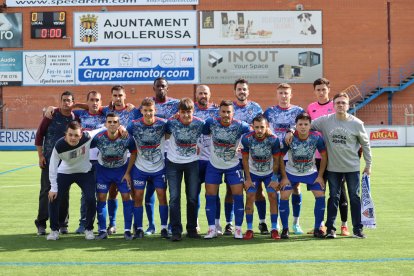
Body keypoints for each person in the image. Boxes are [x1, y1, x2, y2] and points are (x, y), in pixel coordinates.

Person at [287, 92, 372, 238]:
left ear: (348, 105)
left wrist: (368, 165)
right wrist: (291, 131)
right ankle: (331, 229)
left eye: (343, 103)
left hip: (352, 167)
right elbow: (305, 125)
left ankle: (357, 229)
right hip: (333, 167)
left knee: (354, 197)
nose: (340, 105)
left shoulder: (356, 123)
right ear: (333, 105)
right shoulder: (325, 121)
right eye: (338, 102)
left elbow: (366, 144)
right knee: (333, 197)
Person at [306, 78, 350, 236]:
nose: (321, 92)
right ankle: (320, 225)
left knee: (339, 192)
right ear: (314, 91)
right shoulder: (311, 108)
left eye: (323, 89)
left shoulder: (337, 105)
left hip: (335, 157)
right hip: (317, 156)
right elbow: (306, 127)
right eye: (318, 90)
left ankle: (344, 225)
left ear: (328, 90)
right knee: (319, 191)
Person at [202, 100, 251, 239]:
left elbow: (253, 133)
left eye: (228, 112)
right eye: (223, 111)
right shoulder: (210, 123)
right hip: (214, 165)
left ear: (233, 113)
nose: (226, 114)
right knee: (210, 196)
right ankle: (212, 228)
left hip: (233, 166)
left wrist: (241, 145)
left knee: (238, 196)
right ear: (219, 112)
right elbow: (203, 134)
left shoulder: (241, 125)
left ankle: (238, 229)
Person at [46, 121, 102, 240]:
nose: (73, 138)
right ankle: (54, 230)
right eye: (70, 135)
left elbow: (101, 129)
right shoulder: (59, 145)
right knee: (53, 197)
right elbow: (52, 166)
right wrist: (53, 187)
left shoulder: (87, 137)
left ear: (81, 135)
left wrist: (121, 127)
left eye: (76, 135)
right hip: (65, 172)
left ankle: (89, 229)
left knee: (91, 199)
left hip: (85, 172)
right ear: (66, 134)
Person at [264, 83, 305, 235]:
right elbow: (262, 127)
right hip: (274, 156)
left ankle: (296, 223)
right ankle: (276, 223)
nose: (283, 96)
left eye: (286, 93)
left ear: (291, 94)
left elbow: (305, 127)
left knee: (295, 187)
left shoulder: (298, 111)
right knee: (274, 189)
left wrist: (292, 130)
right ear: (277, 94)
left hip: (293, 157)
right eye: (281, 93)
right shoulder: (269, 112)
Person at [279, 113, 327, 239]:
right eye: (300, 124)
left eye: (306, 124)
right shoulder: (290, 138)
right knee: (284, 195)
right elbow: (278, 156)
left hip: (310, 173)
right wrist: (284, 177)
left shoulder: (316, 137)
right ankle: (285, 229)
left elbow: (324, 156)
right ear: (296, 125)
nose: (303, 127)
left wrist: (320, 176)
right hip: (291, 173)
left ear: (310, 125)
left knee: (320, 194)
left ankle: (318, 228)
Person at [101, 85, 141, 235]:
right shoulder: (106, 111)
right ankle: (112, 224)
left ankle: (135, 225)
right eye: (115, 95)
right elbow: (89, 107)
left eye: (120, 95)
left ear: (125, 96)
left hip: (132, 157)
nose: (118, 98)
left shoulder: (134, 111)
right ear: (111, 97)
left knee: (133, 192)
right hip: (114, 159)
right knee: (112, 191)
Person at [34, 91, 75, 236]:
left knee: (64, 193)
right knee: (46, 191)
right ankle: (41, 223)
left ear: (72, 102)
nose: (66, 103)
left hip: (66, 162)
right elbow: (39, 135)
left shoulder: (74, 118)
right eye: (64, 100)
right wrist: (40, 156)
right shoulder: (51, 115)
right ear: (60, 101)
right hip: (49, 160)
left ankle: (62, 223)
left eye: (69, 100)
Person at [127, 97, 169, 239]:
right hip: (140, 168)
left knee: (162, 196)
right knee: (138, 197)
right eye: (145, 110)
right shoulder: (133, 125)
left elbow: (176, 131)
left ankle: (164, 228)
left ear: (155, 110)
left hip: (159, 168)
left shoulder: (163, 124)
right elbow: (125, 137)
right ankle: (139, 228)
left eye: (150, 110)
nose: (148, 113)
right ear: (141, 111)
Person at [231, 78, 268, 235]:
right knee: (232, 190)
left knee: (258, 189)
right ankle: (229, 223)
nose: (242, 92)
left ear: (248, 91)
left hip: (254, 156)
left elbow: (263, 128)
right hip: (233, 156)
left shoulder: (256, 108)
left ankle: (262, 222)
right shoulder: (229, 108)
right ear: (235, 91)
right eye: (239, 89)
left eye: (244, 89)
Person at [91, 113, 137, 240]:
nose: (112, 124)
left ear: (119, 124)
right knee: (101, 197)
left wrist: (127, 172)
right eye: (109, 122)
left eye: (115, 122)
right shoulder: (98, 137)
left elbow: (133, 153)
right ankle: (102, 230)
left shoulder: (126, 137)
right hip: (103, 171)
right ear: (105, 124)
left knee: (126, 196)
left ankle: (127, 230)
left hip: (121, 170)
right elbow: (85, 146)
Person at [165, 97, 205, 241]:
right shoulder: (171, 123)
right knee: (174, 198)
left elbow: (215, 130)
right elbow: (160, 129)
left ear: (193, 112)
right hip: (173, 163)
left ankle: (192, 229)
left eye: (189, 112)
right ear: (178, 112)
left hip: (192, 163)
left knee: (192, 197)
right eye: (183, 112)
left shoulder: (200, 123)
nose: (186, 115)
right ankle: (176, 230)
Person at [144, 77, 180, 235]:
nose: (160, 88)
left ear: (168, 88)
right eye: (158, 86)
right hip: (152, 154)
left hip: (171, 154)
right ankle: (151, 225)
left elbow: (191, 112)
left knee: (170, 192)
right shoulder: (147, 104)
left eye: (163, 86)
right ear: (153, 88)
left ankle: (169, 225)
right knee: (150, 190)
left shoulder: (175, 104)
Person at [241, 115, 281, 240]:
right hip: (253, 173)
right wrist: (247, 179)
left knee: (273, 195)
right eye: (256, 127)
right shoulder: (247, 139)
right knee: (250, 195)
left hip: (269, 173)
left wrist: (275, 178)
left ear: (267, 127)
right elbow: (245, 159)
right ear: (252, 127)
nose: (259, 130)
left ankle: (274, 228)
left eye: (262, 127)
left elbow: (276, 160)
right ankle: (249, 229)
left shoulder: (273, 139)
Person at [193, 85, 220, 234]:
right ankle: (195, 223)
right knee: (194, 193)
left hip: (212, 159)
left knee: (213, 193)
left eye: (205, 93)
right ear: (196, 95)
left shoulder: (217, 111)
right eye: (200, 93)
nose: (203, 95)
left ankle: (217, 224)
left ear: (210, 95)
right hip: (195, 159)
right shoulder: (190, 110)